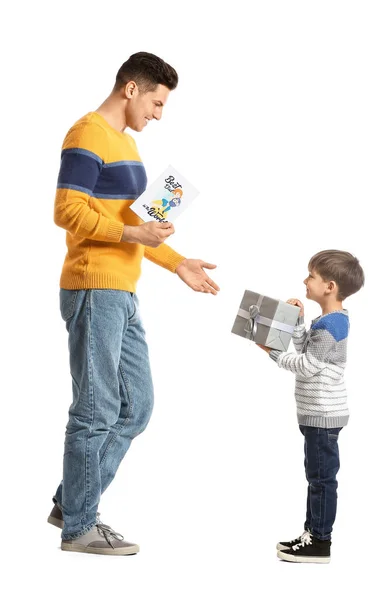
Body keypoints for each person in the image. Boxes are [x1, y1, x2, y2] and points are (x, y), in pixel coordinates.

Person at [48, 52, 220, 556]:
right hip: (93, 287)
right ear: (131, 89)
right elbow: (66, 210)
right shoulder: (86, 134)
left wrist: (177, 261)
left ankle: (70, 500)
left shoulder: (124, 144)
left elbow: (136, 226)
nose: (159, 115)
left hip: (123, 290)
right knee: (96, 409)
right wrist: (130, 229)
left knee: (137, 407)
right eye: (157, 102)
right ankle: (80, 527)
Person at [257, 249, 364, 563]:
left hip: (323, 414)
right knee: (317, 478)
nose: (305, 281)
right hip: (316, 413)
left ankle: (320, 541)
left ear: (329, 287)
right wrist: (299, 322)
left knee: (321, 480)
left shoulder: (334, 326)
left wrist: (270, 351)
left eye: (311, 276)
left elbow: (306, 365)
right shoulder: (326, 321)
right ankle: (312, 534)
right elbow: (306, 349)